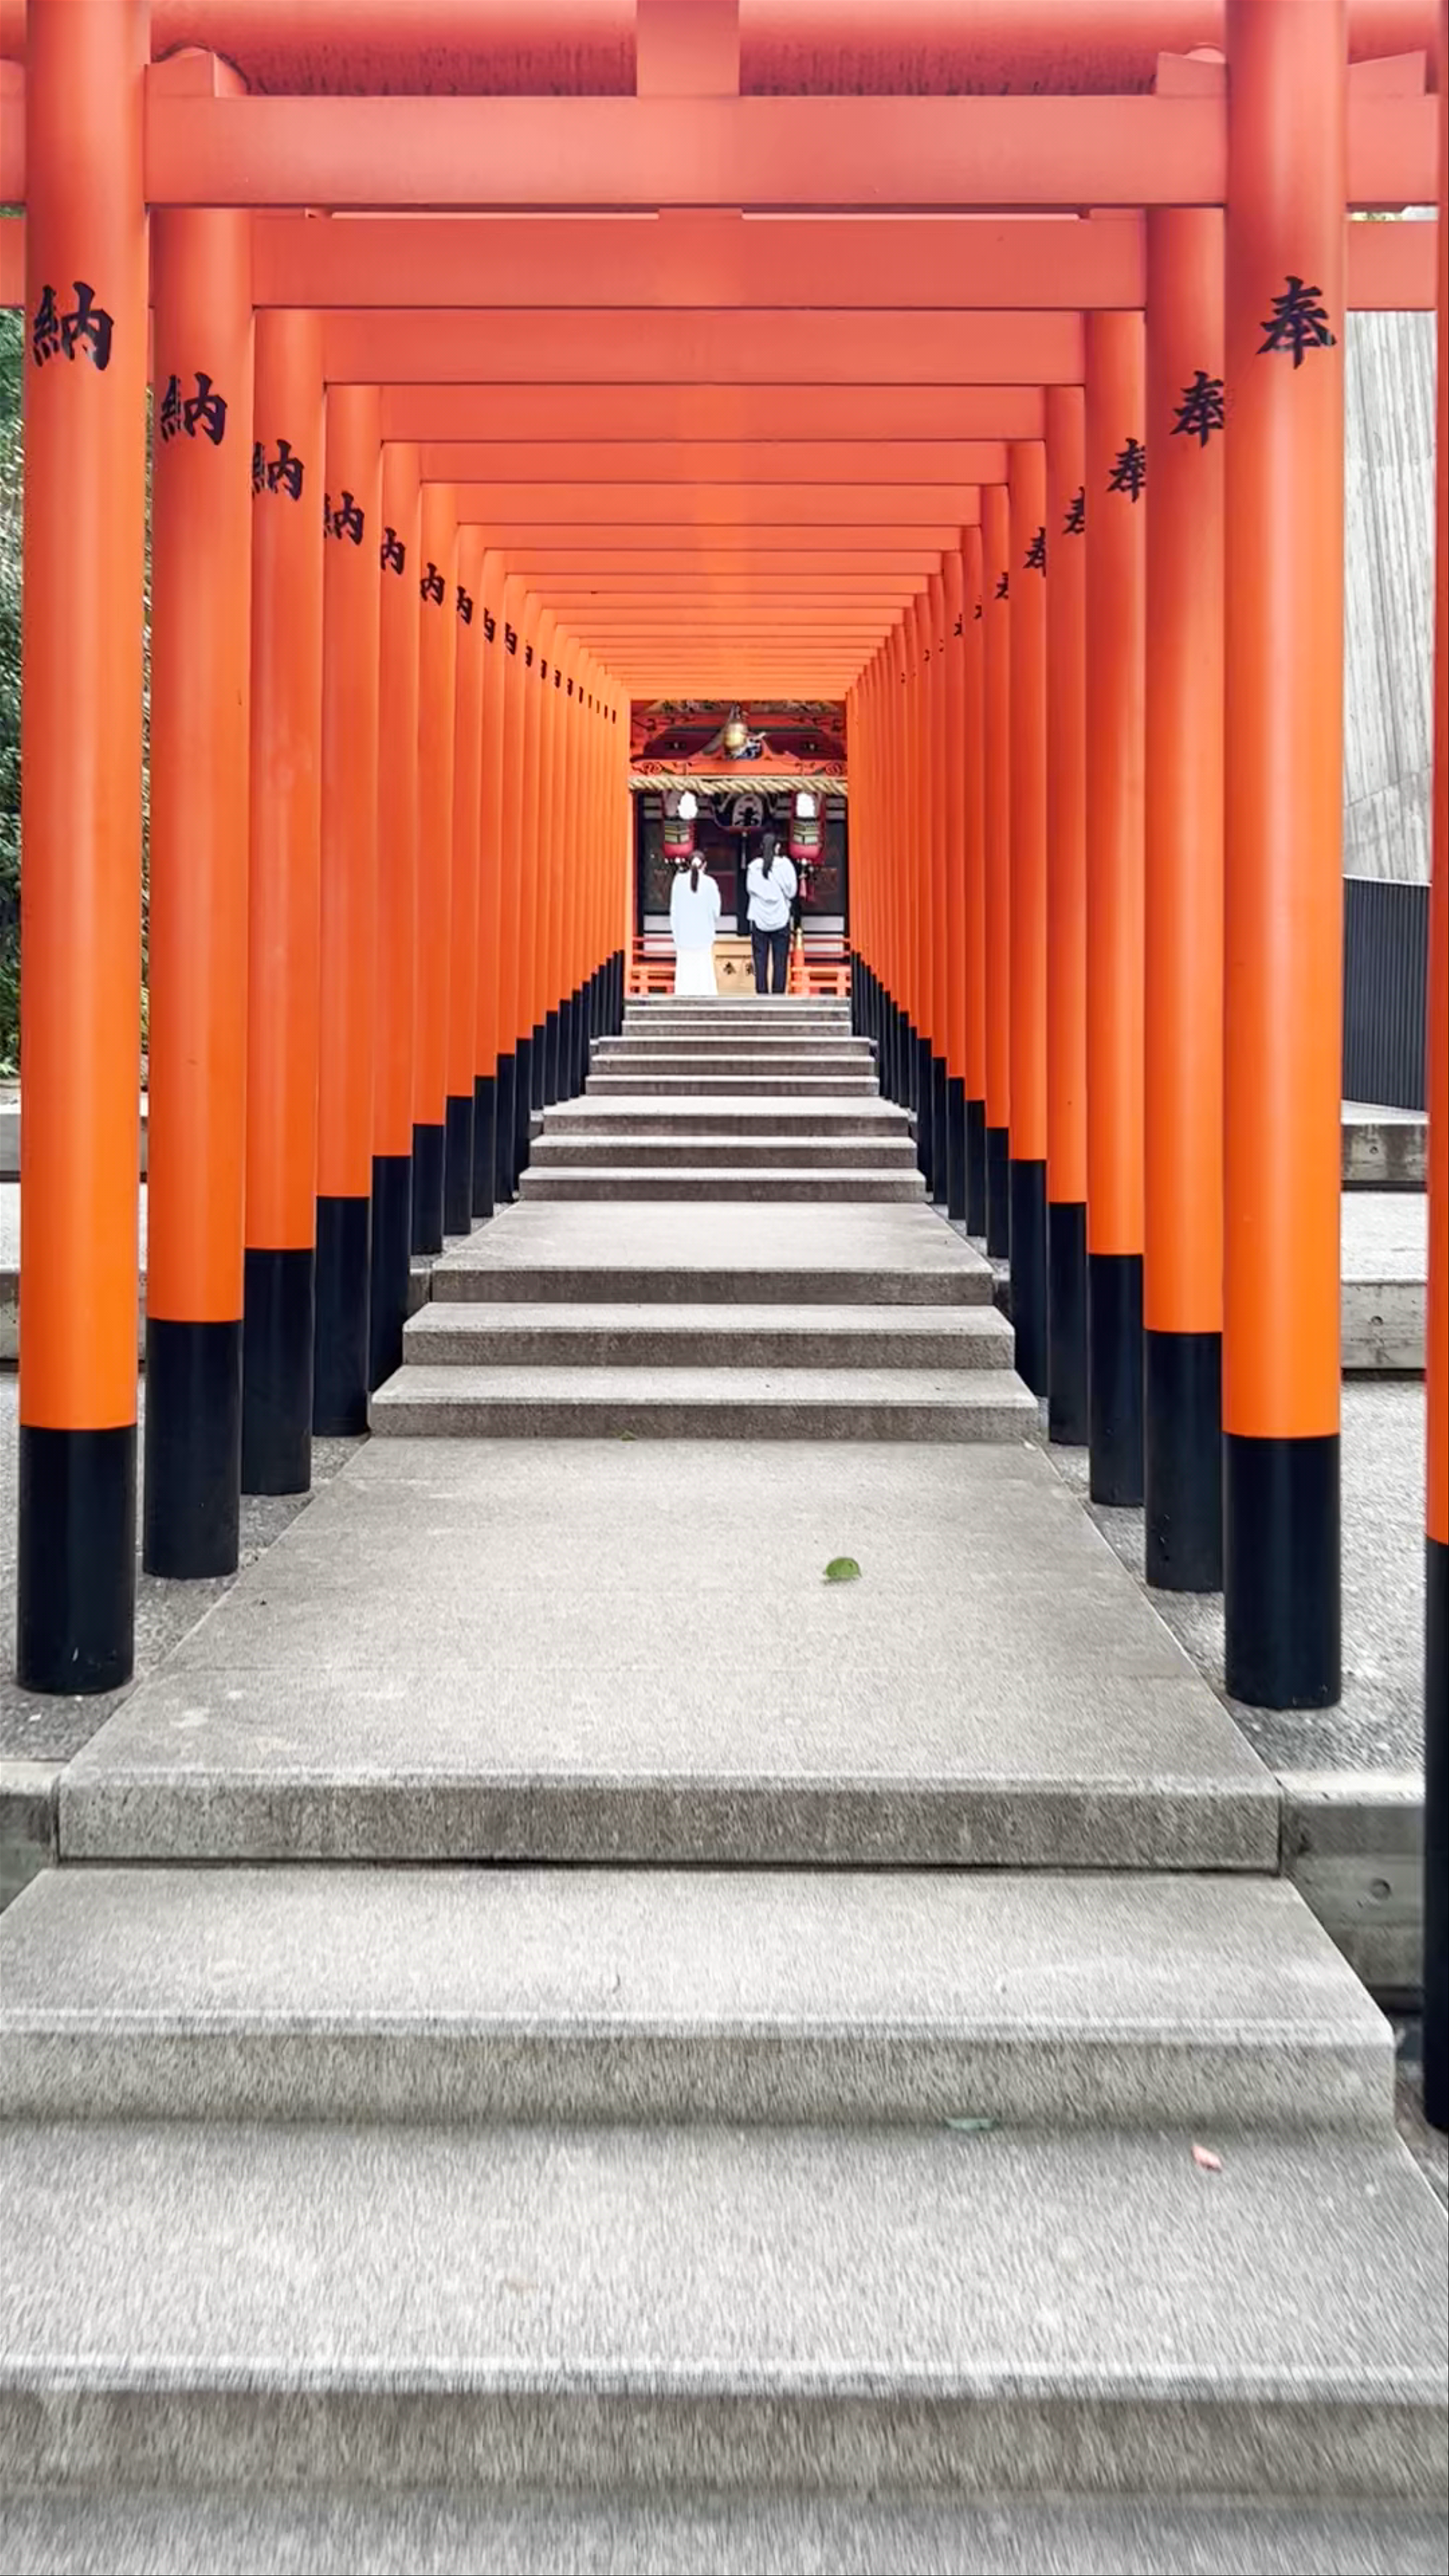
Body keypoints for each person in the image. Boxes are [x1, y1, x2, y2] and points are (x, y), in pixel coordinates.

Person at [745, 833, 798, 996]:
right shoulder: (786, 866)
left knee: (760, 960)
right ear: (777, 848)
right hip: (781, 918)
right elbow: (792, 892)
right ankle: (778, 994)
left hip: (760, 919)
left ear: (762, 848)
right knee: (780, 960)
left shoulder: (754, 868)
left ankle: (761, 993)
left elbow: (750, 891)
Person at [668, 852, 721, 996]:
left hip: (683, 938)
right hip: (704, 938)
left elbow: (674, 910)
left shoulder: (678, 882)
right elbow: (716, 912)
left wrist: (676, 932)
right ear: (705, 865)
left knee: (685, 975)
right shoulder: (710, 883)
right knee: (703, 976)